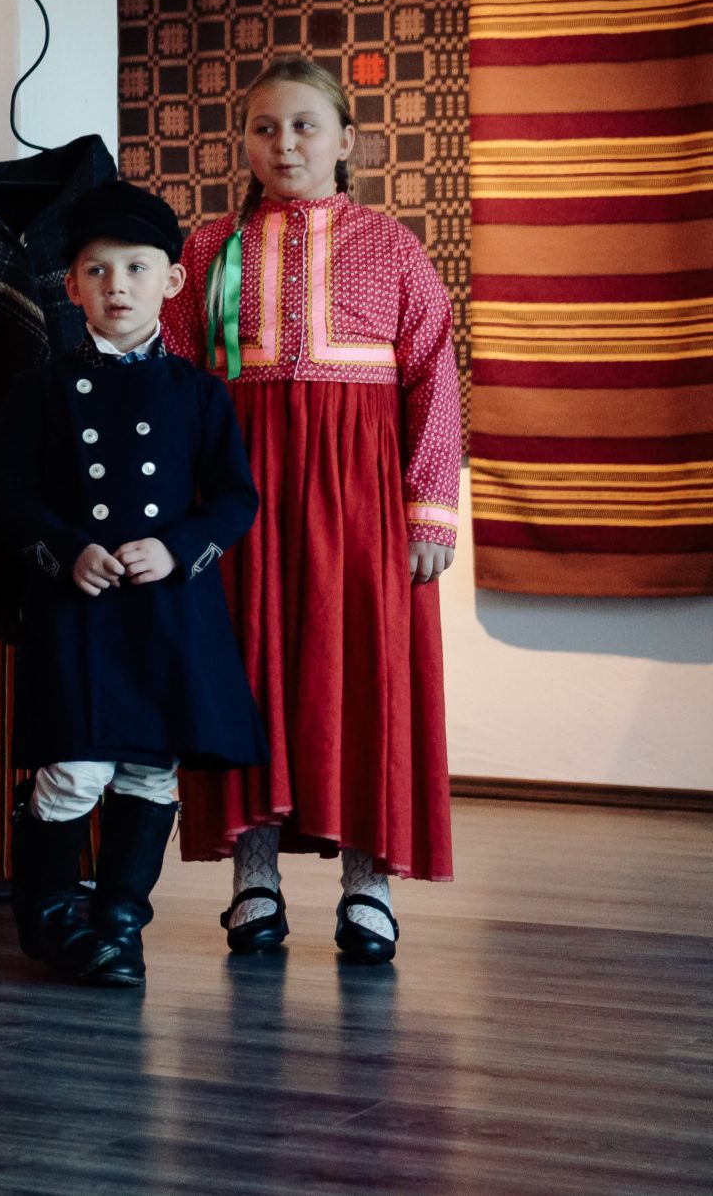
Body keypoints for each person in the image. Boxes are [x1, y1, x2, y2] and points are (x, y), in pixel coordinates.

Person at [167, 58, 463, 964]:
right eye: (265, 128)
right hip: (240, 497)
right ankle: (253, 877)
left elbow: (434, 378)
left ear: (344, 140)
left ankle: (367, 885)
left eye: (304, 126)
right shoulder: (207, 251)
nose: (284, 144)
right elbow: (175, 383)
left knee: (362, 672)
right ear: (245, 142)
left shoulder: (393, 246)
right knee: (244, 671)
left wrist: (429, 512)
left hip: (360, 500)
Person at [0, 180, 264, 987]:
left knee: (149, 771)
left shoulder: (199, 393)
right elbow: (7, 495)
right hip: (77, 613)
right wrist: (68, 549)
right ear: (71, 286)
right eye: (98, 270)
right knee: (75, 769)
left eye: (137, 268)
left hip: (167, 614)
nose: (118, 286)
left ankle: (119, 923)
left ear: (172, 280)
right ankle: (48, 918)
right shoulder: (39, 388)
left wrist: (177, 549)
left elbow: (235, 499)